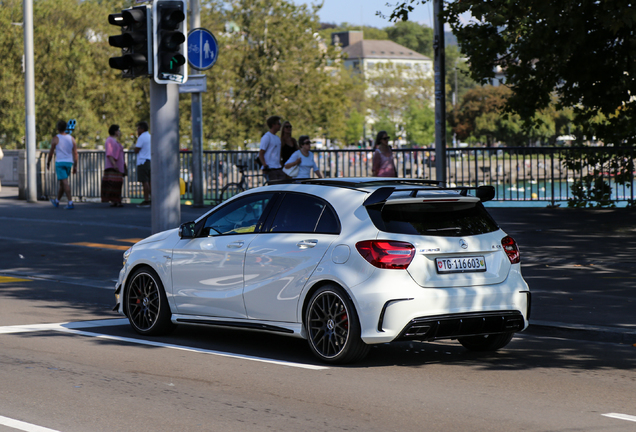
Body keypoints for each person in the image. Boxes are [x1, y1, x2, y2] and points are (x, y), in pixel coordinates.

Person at [46, 120, 78, 209]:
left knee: (65, 182)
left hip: (60, 163)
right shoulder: (72, 138)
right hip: (69, 162)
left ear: (58, 128)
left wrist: (48, 162)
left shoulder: (56, 138)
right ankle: (57, 201)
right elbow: (75, 153)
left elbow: (51, 152)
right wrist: (75, 165)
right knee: (62, 184)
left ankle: (70, 202)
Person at [101, 124, 125, 207]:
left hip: (118, 165)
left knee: (117, 183)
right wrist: (114, 164)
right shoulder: (110, 140)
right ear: (115, 131)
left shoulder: (115, 140)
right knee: (113, 183)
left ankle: (116, 200)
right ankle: (115, 201)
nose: (119, 132)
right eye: (118, 130)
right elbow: (109, 153)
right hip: (113, 166)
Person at [258, 115, 286, 182]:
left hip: (278, 167)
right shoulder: (267, 137)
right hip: (270, 168)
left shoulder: (277, 138)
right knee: (275, 187)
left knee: (283, 185)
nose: (280, 125)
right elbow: (261, 153)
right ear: (273, 125)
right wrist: (265, 165)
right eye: (278, 124)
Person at [134, 121, 151, 207]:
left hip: (142, 161)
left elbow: (136, 149)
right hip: (150, 161)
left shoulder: (141, 137)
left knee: (145, 182)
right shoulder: (150, 136)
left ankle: (146, 200)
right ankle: (152, 199)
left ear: (142, 129)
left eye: (138, 128)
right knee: (150, 181)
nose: (137, 130)